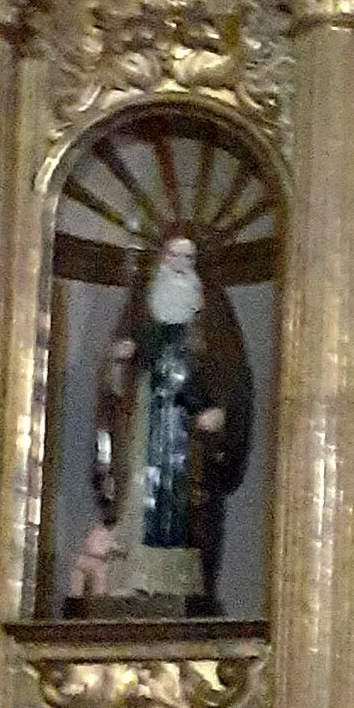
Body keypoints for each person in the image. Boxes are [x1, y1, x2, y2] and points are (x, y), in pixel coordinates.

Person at [90, 232, 253, 614]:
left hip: (189, 428)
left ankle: (184, 584)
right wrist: (119, 361)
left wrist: (222, 411)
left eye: (189, 256)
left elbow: (232, 372)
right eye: (175, 254)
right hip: (148, 418)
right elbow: (115, 377)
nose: (181, 262)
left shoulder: (212, 310)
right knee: (140, 490)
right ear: (162, 258)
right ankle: (136, 578)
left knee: (188, 502)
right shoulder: (141, 306)